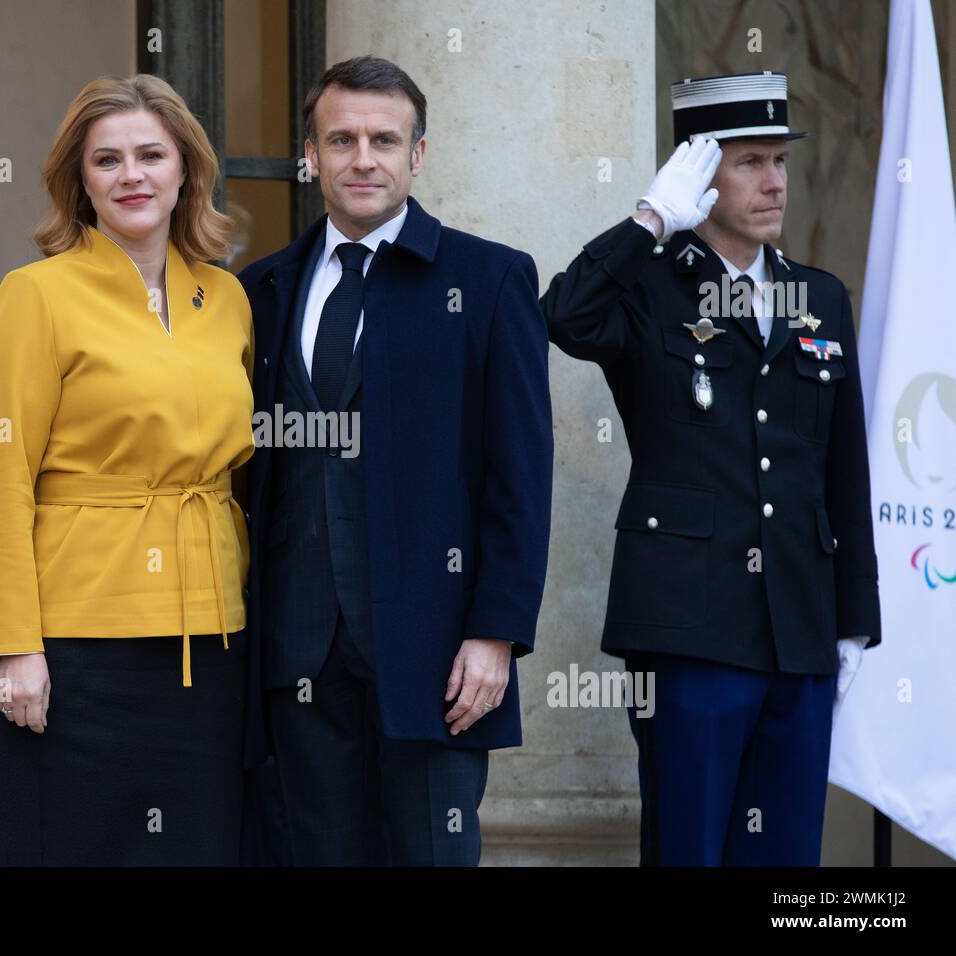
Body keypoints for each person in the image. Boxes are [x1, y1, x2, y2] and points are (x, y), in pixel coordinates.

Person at [542, 71, 881, 865]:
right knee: (689, 848)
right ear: (700, 170)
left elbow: (844, 465)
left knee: (786, 855)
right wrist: (651, 219)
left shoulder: (818, 298)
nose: (773, 182)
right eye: (749, 162)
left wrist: (855, 614)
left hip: (799, 626)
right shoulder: (649, 288)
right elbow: (563, 315)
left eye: (780, 161)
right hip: (689, 631)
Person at [237, 55, 553, 866]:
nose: (362, 159)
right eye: (340, 139)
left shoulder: (487, 279)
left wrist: (496, 633)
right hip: (296, 655)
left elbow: (520, 473)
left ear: (418, 155)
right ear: (310, 155)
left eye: (385, 139)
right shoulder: (261, 289)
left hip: (437, 651)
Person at [0, 74, 255, 865]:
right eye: (108, 160)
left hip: (211, 637)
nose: (132, 175)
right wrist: (13, 646)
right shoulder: (35, 297)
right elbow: (2, 482)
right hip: (76, 644)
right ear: (80, 181)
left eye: (150, 155)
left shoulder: (228, 299)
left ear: (185, 171)